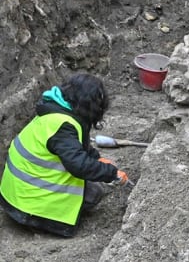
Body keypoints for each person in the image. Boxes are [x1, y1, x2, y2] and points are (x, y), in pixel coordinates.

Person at [0, 73, 129, 237]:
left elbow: (76, 146)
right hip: (28, 206)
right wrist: (111, 173)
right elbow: (79, 165)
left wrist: (96, 158)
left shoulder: (55, 112)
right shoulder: (63, 127)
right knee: (94, 193)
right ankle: (44, 223)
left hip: (15, 195)